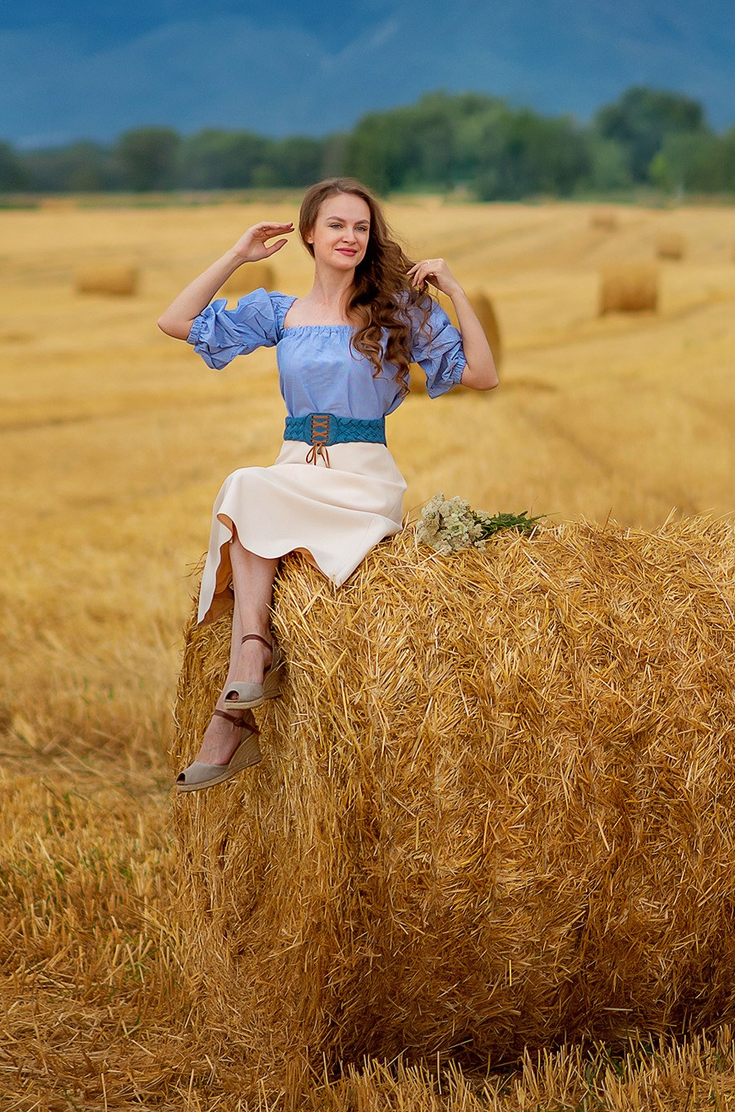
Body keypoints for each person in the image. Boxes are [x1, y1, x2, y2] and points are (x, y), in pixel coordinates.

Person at [155, 177, 498, 790]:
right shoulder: (277, 312)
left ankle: (236, 703)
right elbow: (175, 320)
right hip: (296, 464)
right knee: (249, 489)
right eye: (336, 224)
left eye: (362, 227)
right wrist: (237, 254)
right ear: (308, 234)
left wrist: (455, 291)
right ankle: (249, 662)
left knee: (246, 491)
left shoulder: (399, 313)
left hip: (362, 474)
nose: (350, 236)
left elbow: (481, 373)